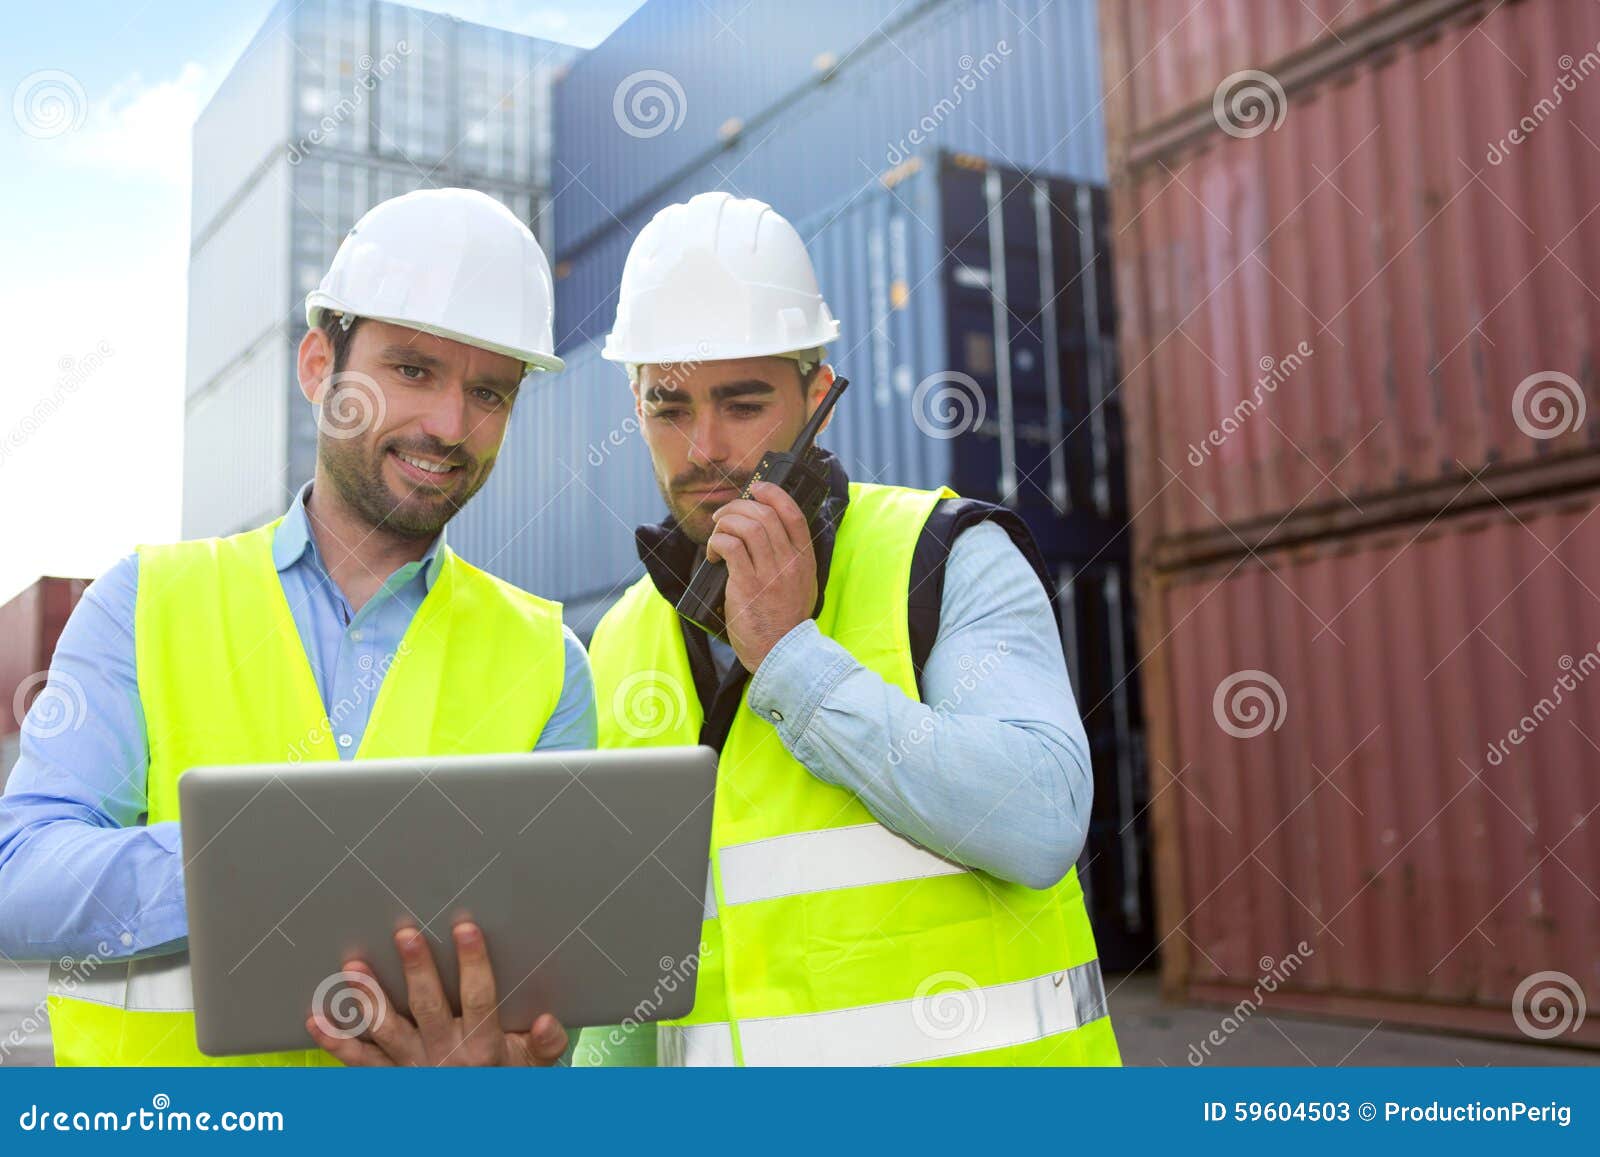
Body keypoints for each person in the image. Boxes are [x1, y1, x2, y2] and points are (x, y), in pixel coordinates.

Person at [337, 189, 1121, 1068]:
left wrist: (792, 658)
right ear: (635, 406)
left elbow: (1044, 822)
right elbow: (627, 997)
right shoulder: (625, 640)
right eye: (669, 406)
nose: (703, 445)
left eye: (743, 404)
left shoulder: (942, 558)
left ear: (816, 395)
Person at [0, 188, 589, 1067]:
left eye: (490, 392)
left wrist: (500, 1071)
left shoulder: (549, 662)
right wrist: (257, 860)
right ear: (320, 367)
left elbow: (554, 987)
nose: (449, 425)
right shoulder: (146, 601)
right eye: (413, 370)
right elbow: (21, 879)